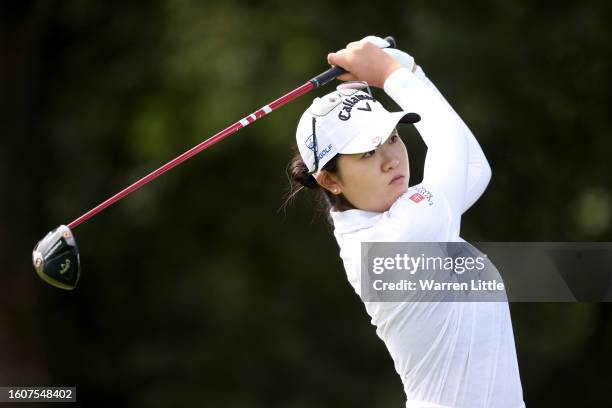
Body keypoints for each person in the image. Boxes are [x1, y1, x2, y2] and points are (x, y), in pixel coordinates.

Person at [286, 36, 525, 408]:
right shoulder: (395, 240)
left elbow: (473, 169)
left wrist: (409, 70)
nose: (391, 160)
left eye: (393, 137)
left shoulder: (393, 220)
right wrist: (390, 74)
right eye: (367, 152)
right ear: (329, 180)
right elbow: (450, 144)